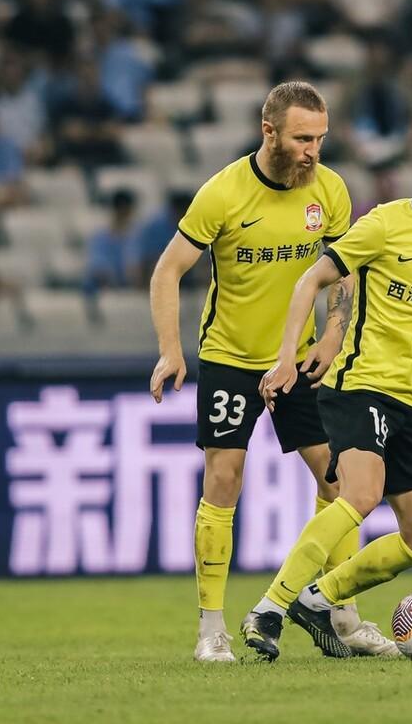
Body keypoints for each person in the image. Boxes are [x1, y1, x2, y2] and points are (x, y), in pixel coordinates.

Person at [148, 81, 391, 662]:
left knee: (339, 482)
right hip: (230, 358)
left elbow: (344, 272)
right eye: (303, 139)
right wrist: (170, 350)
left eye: (320, 138)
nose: (313, 151)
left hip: (300, 359)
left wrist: (333, 334)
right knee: (224, 479)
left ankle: (340, 616)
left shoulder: (330, 190)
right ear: (270, 132)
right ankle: (212, 628)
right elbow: (167, 271)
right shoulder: (224, 193)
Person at [253, 120, 412, 659]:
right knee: (361, 495)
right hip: (357, 386)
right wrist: (286, 360)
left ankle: (321, 598)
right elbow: (311, 280)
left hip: (407, 401)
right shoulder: (386, 224)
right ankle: (270, 608)